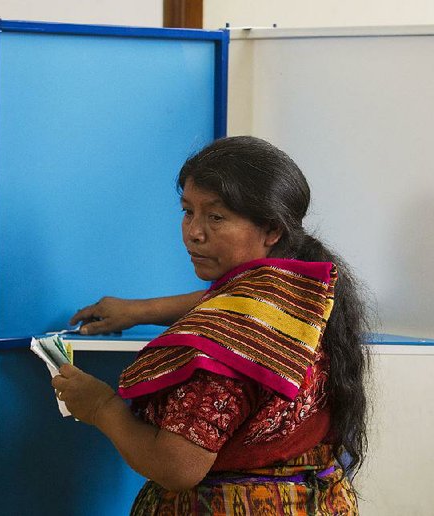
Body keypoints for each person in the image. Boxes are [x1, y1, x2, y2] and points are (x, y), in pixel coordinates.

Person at [51, 135, 372, 515]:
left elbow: (177, 467)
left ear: (271, 230)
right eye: (188, 211)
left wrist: (102, 406)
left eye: (216, 217)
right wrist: (140, 311)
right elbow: (235, 304)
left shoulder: (225, 346)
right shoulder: (300, 292)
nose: (194, 232)